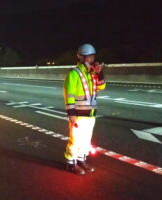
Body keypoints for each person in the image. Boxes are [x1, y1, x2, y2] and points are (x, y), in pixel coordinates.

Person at [63, 43, 106, 175]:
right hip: (78, 114)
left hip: (91, 114)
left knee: (86, 140)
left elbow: (101, 87)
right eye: (89, 57)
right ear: (81, 57)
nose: (91, 59)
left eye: (92, 56)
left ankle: (81, 160)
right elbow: (68, 94)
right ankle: (71, 163)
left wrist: (100, 73)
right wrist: (71, 114)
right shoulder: (74, 74)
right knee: (75, 140)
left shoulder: (92, 73)